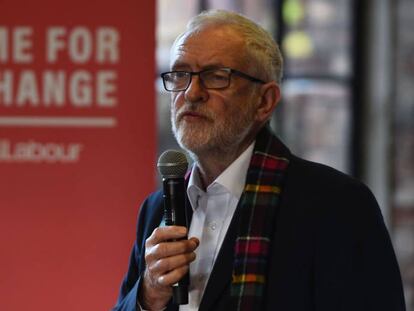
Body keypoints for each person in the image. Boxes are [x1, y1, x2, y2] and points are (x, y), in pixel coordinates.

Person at [113, 9, 406, 311]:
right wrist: (148, 295)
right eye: (180, 74)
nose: (192, 92)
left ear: (264, 101)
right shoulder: (158, 208)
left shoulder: (335, 205)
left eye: (216, 77)